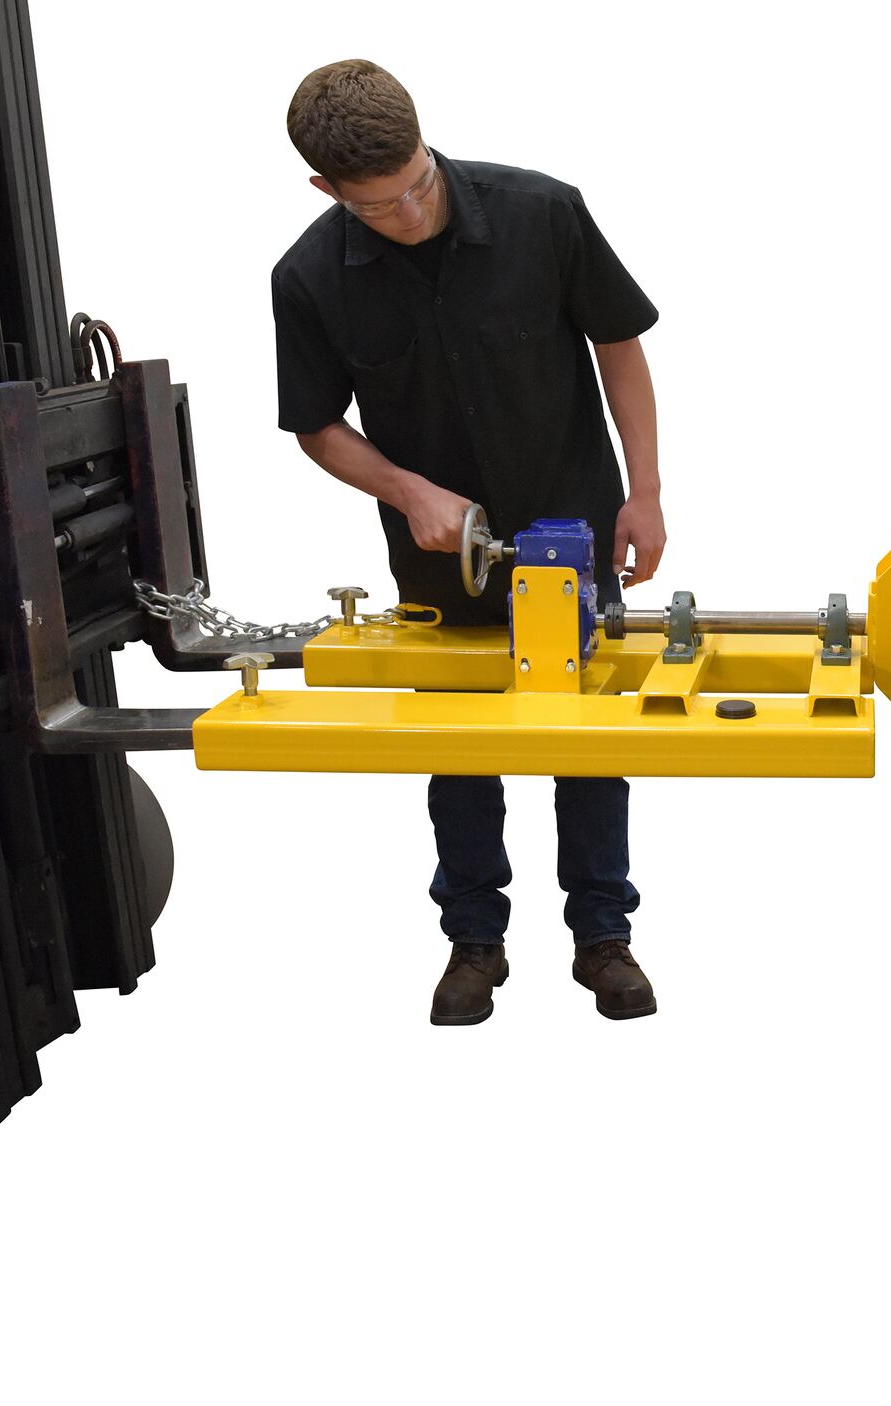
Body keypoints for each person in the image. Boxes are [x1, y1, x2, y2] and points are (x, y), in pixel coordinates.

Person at [273, 61, 664, 1026]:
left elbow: (618, 347)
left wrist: (646, 492)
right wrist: (407, 490)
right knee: (457, 753)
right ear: (325, 189)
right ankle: (474, 942)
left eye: (417, 184)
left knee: (587, 742)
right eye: (377, 205)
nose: (408, 214)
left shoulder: (544, 213)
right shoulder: (308, 278)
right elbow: (317, 426)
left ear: (425, 142)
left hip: (573, 533)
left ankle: (603, 936)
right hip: (437, 565)